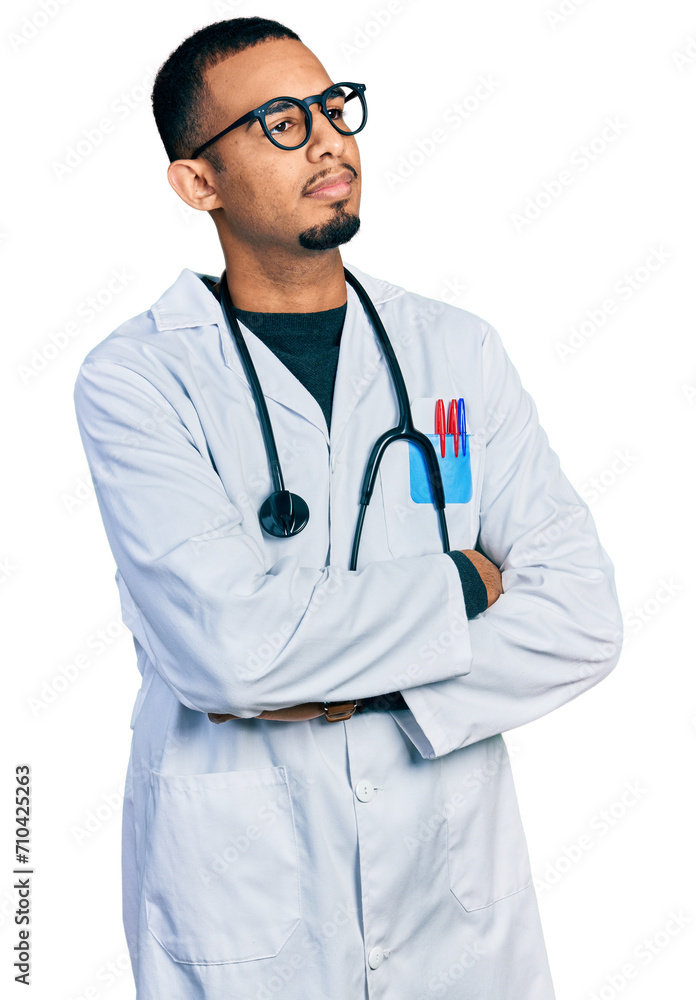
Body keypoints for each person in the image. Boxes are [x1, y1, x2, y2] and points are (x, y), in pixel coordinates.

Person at [72, 16, 623, 1000]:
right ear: (198, 182)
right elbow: (229, 649)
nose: (330, 140)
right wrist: (460, 583)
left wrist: (343, 685)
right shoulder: (139, 378)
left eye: (334, 108)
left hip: (454, 915)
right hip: (246, 913)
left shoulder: (454, 354)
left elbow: (581, 617)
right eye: (281, 122)